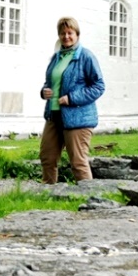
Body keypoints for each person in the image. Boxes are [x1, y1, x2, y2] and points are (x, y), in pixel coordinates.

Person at [39, 16, 105, 184]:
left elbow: (99, 86)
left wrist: (71, 98)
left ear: (77, 34)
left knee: (77, 162)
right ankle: (47, 196)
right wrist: (44, 91)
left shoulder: (86, 56)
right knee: (47, 157)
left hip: (78, 118)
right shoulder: (56, 57)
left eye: (70, 33)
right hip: (54, 115)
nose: (66, 36)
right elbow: (51, 82)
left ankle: (90, 201)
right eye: (62, 33)